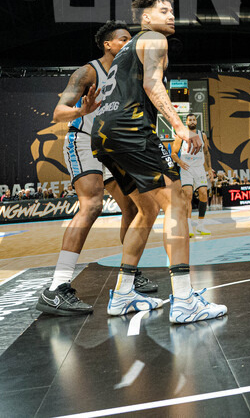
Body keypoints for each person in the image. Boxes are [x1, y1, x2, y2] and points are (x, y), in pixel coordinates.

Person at [92, 0, 226, 324]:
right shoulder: (154, 38)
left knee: (148, 209)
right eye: (163, 10)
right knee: (177, 202)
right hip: (130, 128)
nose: (171, 15)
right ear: (146, 18)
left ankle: (122, 295)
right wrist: (179, 126)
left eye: (172, 10)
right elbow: (152, 84)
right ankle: (184, 300)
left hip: (103, 133)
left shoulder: (126, 50)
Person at [37, 21, 157, 316]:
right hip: (84, 140)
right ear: (108, 44)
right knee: (91, 205)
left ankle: (130, 275)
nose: (129, 44)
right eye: (123, 39)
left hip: (112, 146)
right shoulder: (88, 72)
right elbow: (58, 112)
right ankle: (57, 288)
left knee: (135, 208)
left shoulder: (129, 73)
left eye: (131, 39)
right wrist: (81, 110)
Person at [177, 114, 214, 236]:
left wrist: (209, 168)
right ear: (186, 122)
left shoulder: (202, 135)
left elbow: (206, 152)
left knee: (203, 193)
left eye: (194, 119)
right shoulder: (181, 135)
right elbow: (173, 153)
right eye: (190, 120)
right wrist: (180, 162)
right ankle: (188, 226)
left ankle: (200, 226)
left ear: (196, 122)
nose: (192, 121)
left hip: (199, 169)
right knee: (188, 195)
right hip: (187, 169)